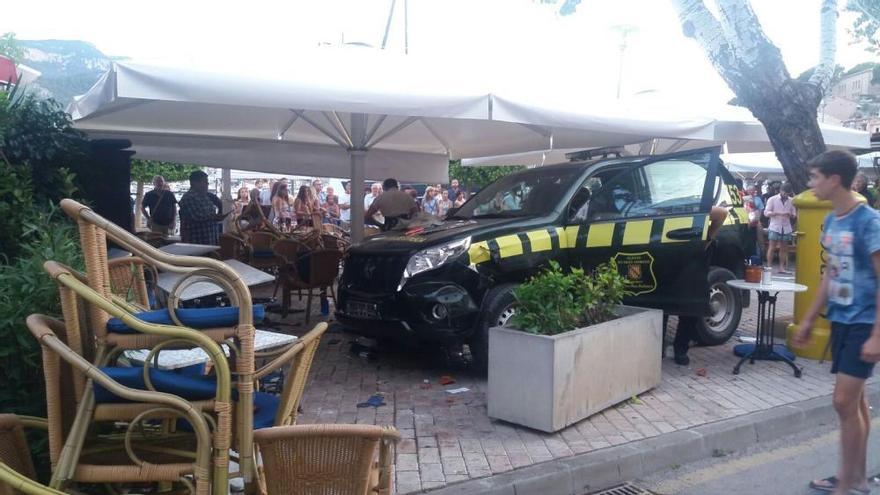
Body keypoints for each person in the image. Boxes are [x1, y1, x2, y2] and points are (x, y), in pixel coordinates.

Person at [794, 150, 880, 495]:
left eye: (815, 177)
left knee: (843, 402)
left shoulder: (868, 221)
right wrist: (809, 318)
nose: (811, 184)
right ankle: (856, 477)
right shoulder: (832, 221)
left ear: (834, 180)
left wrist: (877, 336)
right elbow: (832, 274)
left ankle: (845, 485)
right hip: (841, 321)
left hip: (864, 323)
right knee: (855, 402)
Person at [179, 170, 227, 245]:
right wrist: (215, 217)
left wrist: (219, 212)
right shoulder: (189, 197)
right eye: (204, 181)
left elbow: (210, 213)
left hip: (210, 239)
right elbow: (197, 216)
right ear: (194, 183)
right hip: (197, 241)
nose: (207, 184)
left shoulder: (205, 196)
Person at [764, 183, 797, 274]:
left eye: (788, 194)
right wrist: (775, 213)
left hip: (786, 226)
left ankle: (781, 267)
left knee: (784, 248)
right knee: (772, 247)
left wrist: (791, 215)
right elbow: (766, 212)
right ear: (781, 191)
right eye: (785, 193)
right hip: (775, 226)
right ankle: (769, 266)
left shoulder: (791, 201)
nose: (786, 195)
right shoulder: (772, 199)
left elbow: (794, 214)